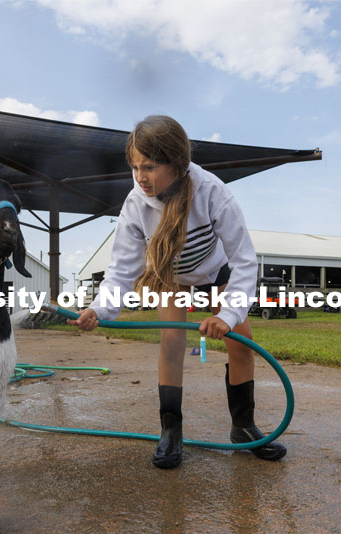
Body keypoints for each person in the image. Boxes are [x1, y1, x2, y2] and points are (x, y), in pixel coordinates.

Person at [69, 115, 287, 469]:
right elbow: (122, 270)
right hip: (171, 275)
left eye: (150, 167)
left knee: (240, 339)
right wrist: (100, 309)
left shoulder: (212, 191)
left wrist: (227, 316)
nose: (141, 177)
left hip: (217, 271)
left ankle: (243, 427)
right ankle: (171, 431)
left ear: (177, 163)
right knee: (172, 341)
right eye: (135, 167)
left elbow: (245, 260)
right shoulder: (135, 204)